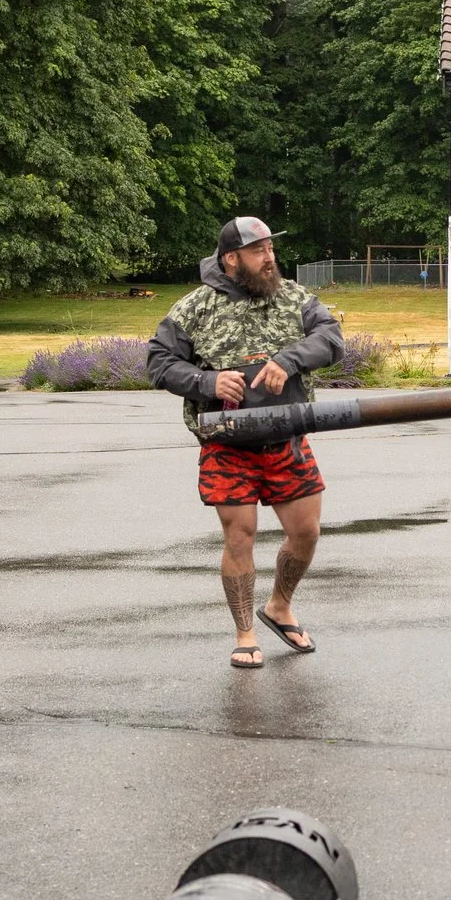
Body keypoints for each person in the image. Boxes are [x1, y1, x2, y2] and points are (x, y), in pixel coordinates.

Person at [145, 217, 344, 669]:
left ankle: (278, 605)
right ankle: (244, 632)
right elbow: (157, 361)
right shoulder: (196, 307)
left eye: (271, 248)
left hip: (286, 437)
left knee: (306, 532)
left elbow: (331, 340)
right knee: (240, 536)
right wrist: (207, 381)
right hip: (227, 442)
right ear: (231, 258)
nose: (269, 257)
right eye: (259, 251)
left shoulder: (293, 296)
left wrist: (289, 359)